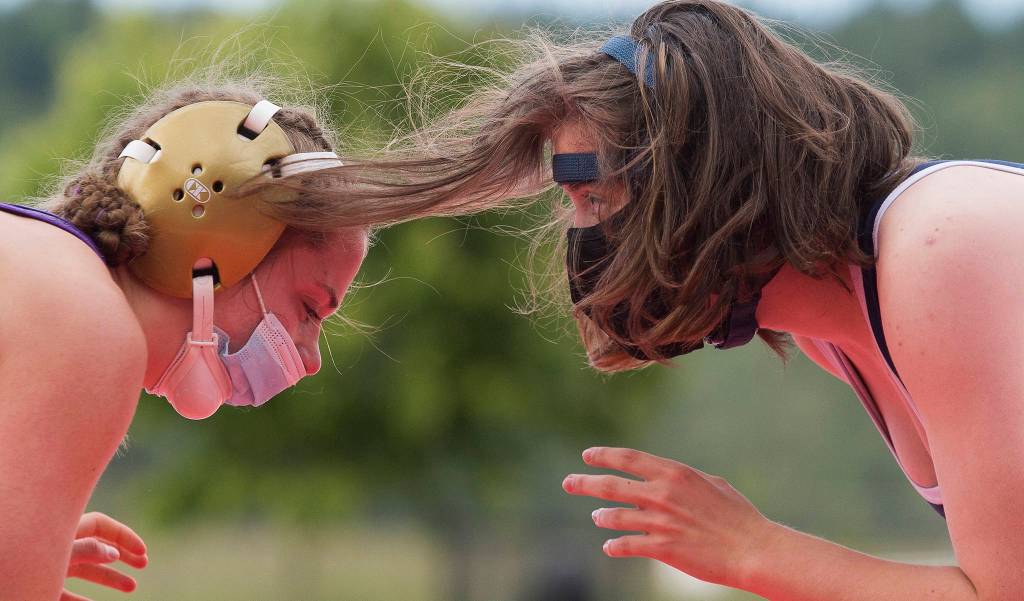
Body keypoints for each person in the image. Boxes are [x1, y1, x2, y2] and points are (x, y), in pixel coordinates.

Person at [342, 0, 1024, 598]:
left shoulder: (936, 249)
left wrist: (751, 549)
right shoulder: (835, 326)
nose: (582, 237)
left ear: (706, 182)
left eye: (596, 197)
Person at [0, 80, 467, 599]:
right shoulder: (92, 330)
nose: (310, 360)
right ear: (213, 240)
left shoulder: (42, 270)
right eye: (310, 308)